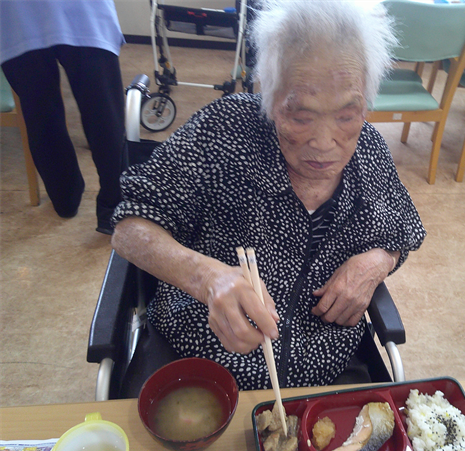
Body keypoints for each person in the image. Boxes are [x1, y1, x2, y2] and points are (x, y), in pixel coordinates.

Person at [111, 0, 426, 390]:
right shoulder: (223, 130)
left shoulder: (370, 152)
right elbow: (129, 225)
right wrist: (208, 278)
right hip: (198, 361)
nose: (325, 143)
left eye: (347, 115)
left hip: (323, 373)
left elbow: (404, 228)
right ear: (270, 97)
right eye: (300, 116)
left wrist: (379, 260)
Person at [0, 0, 126, 234]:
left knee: (41, 117)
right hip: (84, 13)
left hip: (14, 17)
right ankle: (113, 206)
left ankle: (65, 198)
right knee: (105, 113)